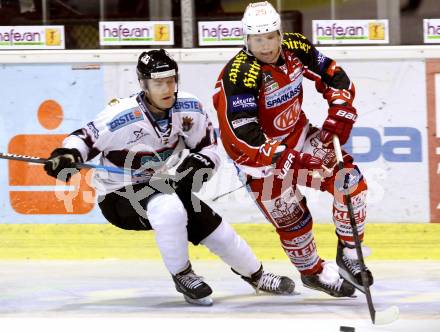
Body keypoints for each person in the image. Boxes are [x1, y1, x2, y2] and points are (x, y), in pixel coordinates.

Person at [44, 48, 295, 306]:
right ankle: (183, 275)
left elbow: (209, 147)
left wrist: (203, 161)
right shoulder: (121, 115)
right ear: (143, 84)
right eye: (158, 83)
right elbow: (83, 138)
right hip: (118, 196)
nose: (167, 89)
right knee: (170, 207)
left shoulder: (188, 108)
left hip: (160, 185)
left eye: (171, 80)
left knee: (216, 229)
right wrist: (67, 155)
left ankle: (257, 275)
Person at [213, 2, 373, 298]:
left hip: (299, 136)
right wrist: (284, 156)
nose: (266, 46)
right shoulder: (240, 74)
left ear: (280, 33)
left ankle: (350, 254)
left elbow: (333, 74)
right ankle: (313, 274)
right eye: (258, 39)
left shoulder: (295, 46)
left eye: (271, 37)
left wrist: (341, 107)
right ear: (246, 39)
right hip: (258, 161)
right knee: (294, 222)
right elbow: (243, 130)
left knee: (349, 183)